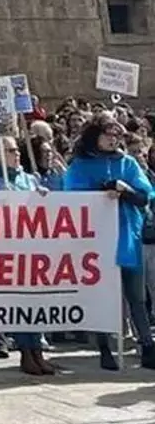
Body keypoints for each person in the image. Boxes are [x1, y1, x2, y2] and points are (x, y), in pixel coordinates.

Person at [62, 113, 155, 370]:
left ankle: (147, 345)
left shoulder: (127, 163)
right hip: (96, 241)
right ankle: (104, 347)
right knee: (101, 296)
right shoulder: (80, 166)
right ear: (95, 135)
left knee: (136, 296)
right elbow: (73, 199)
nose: (114, 139)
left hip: (128, 238)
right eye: (108, 134)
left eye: (117, 135)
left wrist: (125, 190)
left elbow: (144, 197)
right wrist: (101, 192)